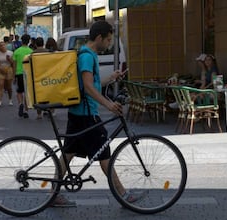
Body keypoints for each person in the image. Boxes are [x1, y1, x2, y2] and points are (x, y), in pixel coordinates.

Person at [52, 21, 142, 206]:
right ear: (99, 37)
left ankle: (53, 194)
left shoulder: (87, 54)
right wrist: (109, 104)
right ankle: (124, 195)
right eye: (108, 40)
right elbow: (87, 87)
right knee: (104, 156)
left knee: (68, 153)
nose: (109, 44)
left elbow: (92, 84)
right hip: (87, 116)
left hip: (78, 113)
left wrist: (111, 77)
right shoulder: (87, 57)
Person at [12, 34, 33, 118]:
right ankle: (26, 110)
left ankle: (20, 103)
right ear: (29, 41)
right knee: (27, 93)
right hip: (28, 74)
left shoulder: (17, 51)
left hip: (19, 73)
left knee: (19, 91)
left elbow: (14, 64)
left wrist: (14, 76)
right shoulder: (31, 51)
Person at [32, 37, 50, 119]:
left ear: (35, 44)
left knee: (38, 95)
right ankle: (49, 110)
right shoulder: (48, 53)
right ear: (43, 43)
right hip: (48, 75)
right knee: (49, 93)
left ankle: (39, 114)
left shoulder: (33, 54)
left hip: (37, 76)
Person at [0, 41, 15, 107]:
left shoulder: (10, 53)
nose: (2, 46)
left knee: (8, 86)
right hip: (1, 70)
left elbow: (13, 63)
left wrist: (9, 59)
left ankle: (10, 99)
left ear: (6, 46)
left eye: (3, 45)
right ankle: (0, 101)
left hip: (9, 69)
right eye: (1, 45)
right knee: (0, 85)